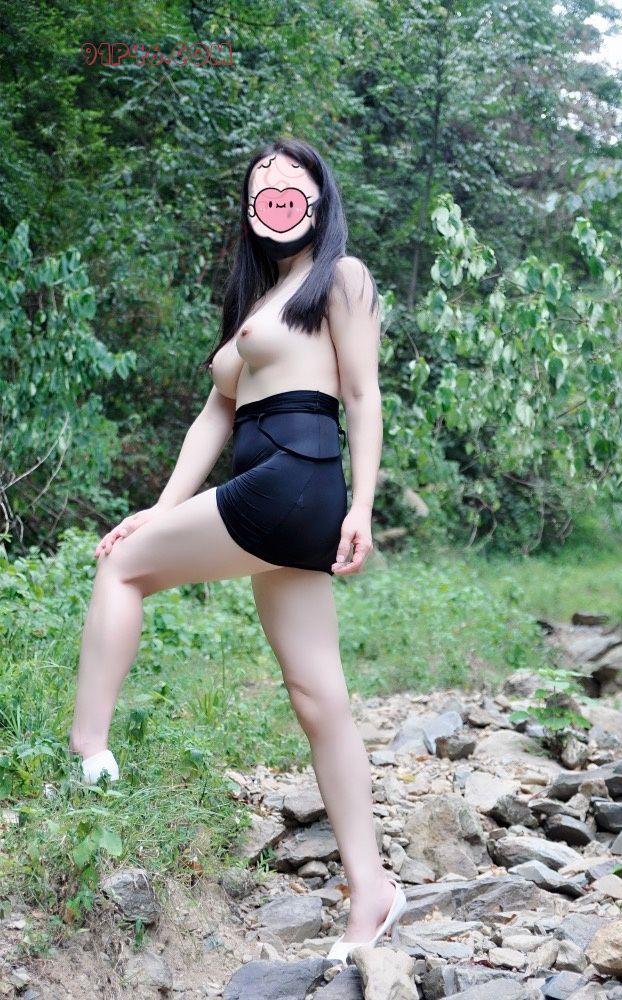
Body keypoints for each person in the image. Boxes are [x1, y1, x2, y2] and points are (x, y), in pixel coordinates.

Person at [67, 137, 407, 962]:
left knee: (121, 569)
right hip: (277, 491)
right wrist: (160, 509)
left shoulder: (341, 276)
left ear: (320, 197)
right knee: (317, 695)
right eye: (263, 180)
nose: (276, 186)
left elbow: (362, 394)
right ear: (253, 208)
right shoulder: (259, 297)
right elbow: (215, 414)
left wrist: (363, 504)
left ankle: (86, 753)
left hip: (293, 475)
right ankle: (372, 891)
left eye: (293, 176)